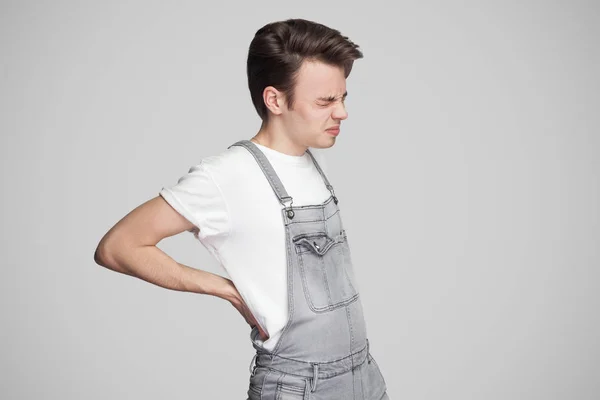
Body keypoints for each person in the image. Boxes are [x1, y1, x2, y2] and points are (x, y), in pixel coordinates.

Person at [94, 18, 389, 399]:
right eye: (325, 101)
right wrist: (228, 291)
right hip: (299, 387)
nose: (342, 113)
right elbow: (118, 247)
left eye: (343, 98)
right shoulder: (227, 176)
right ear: (275, 100)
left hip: (364, 375)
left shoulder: (312, 161)